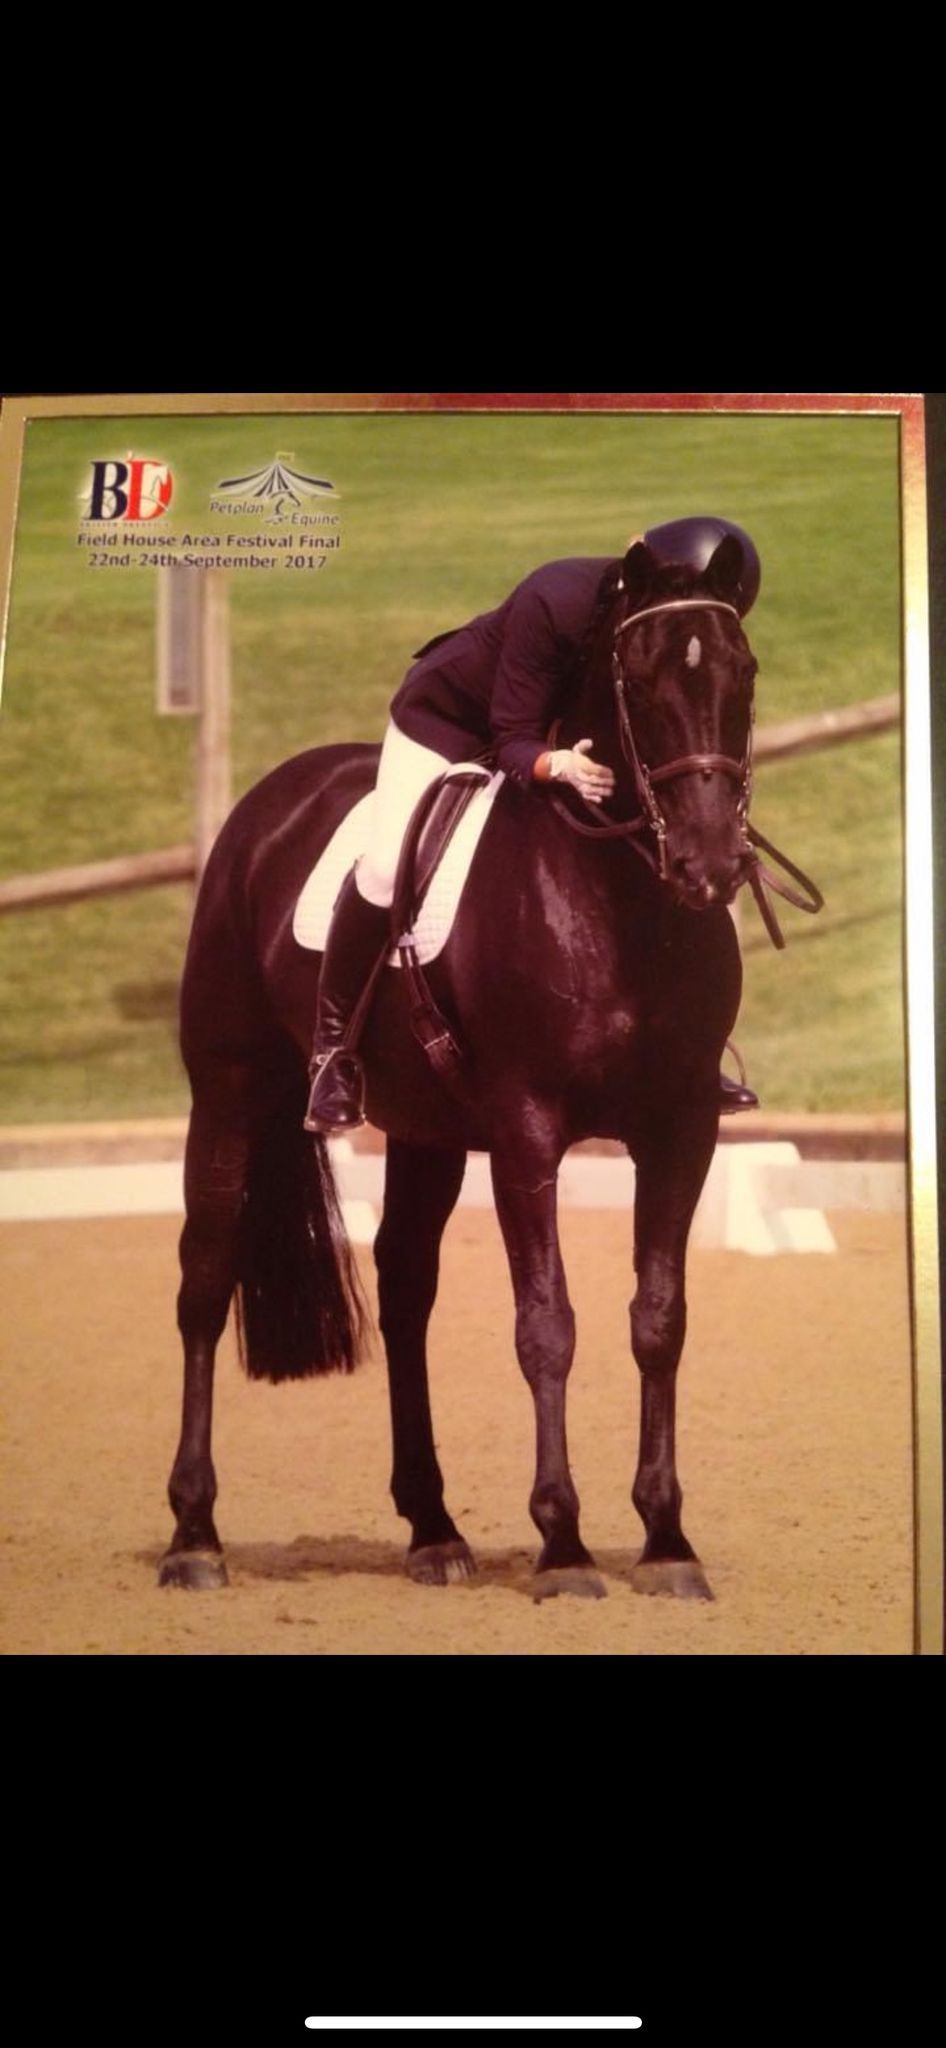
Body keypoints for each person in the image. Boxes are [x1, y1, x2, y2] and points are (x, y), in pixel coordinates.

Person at [304, 515, 762, 1134]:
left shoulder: (649, 630)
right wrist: (559, 764)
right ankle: (334, 1052)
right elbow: (511, 734)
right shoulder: (556, 598)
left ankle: (691, 1052)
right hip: (452, 726)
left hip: (547, 734)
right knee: (386, 868)